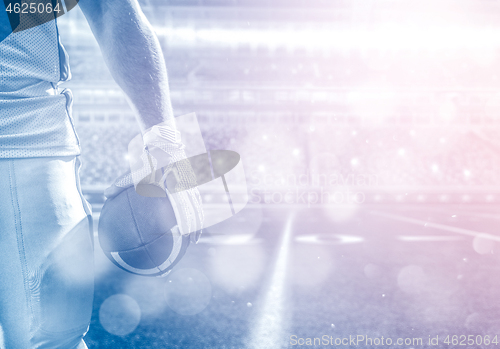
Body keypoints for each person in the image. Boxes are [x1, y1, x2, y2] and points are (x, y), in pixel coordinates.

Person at [0, 0, 195, 347]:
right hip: (27, 144)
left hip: (23, 140)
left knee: (51, 339)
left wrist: (166, 145)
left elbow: (109, 6)